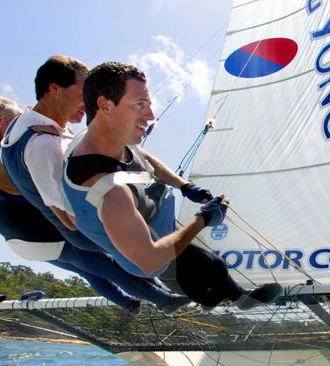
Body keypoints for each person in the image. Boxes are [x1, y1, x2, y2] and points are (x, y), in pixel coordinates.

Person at [63, 62, 281, 310]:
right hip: (154, 251)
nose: (150, 115)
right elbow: (149, 259)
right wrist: (204, 219)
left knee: (211, 268)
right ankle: (224, 300)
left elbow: (146, 160)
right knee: (210, 268)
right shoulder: (109, 193)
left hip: (154, 225)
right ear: (105, 106)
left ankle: (224, 298)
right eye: (139, 106)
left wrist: (185, 186)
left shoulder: (104, 137)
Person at [0, 56, 189, 314]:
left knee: (101, 263)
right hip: (64, 234)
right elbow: (66, 215)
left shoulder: (23, 126)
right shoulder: (44, 144)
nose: (89, 101)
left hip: (33, 238)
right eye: (83, 92)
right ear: (54, 89)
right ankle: (170, 297)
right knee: (122, 247)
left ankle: (143, 299)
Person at [0, 95, 139, 312]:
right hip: (48, 232)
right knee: (110, 259)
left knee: (90, 270)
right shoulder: (3, 156)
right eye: (18, 120)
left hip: (24, 241)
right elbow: (48, 181)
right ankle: (163, 298)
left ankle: (130, 304)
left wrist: (0, 219)